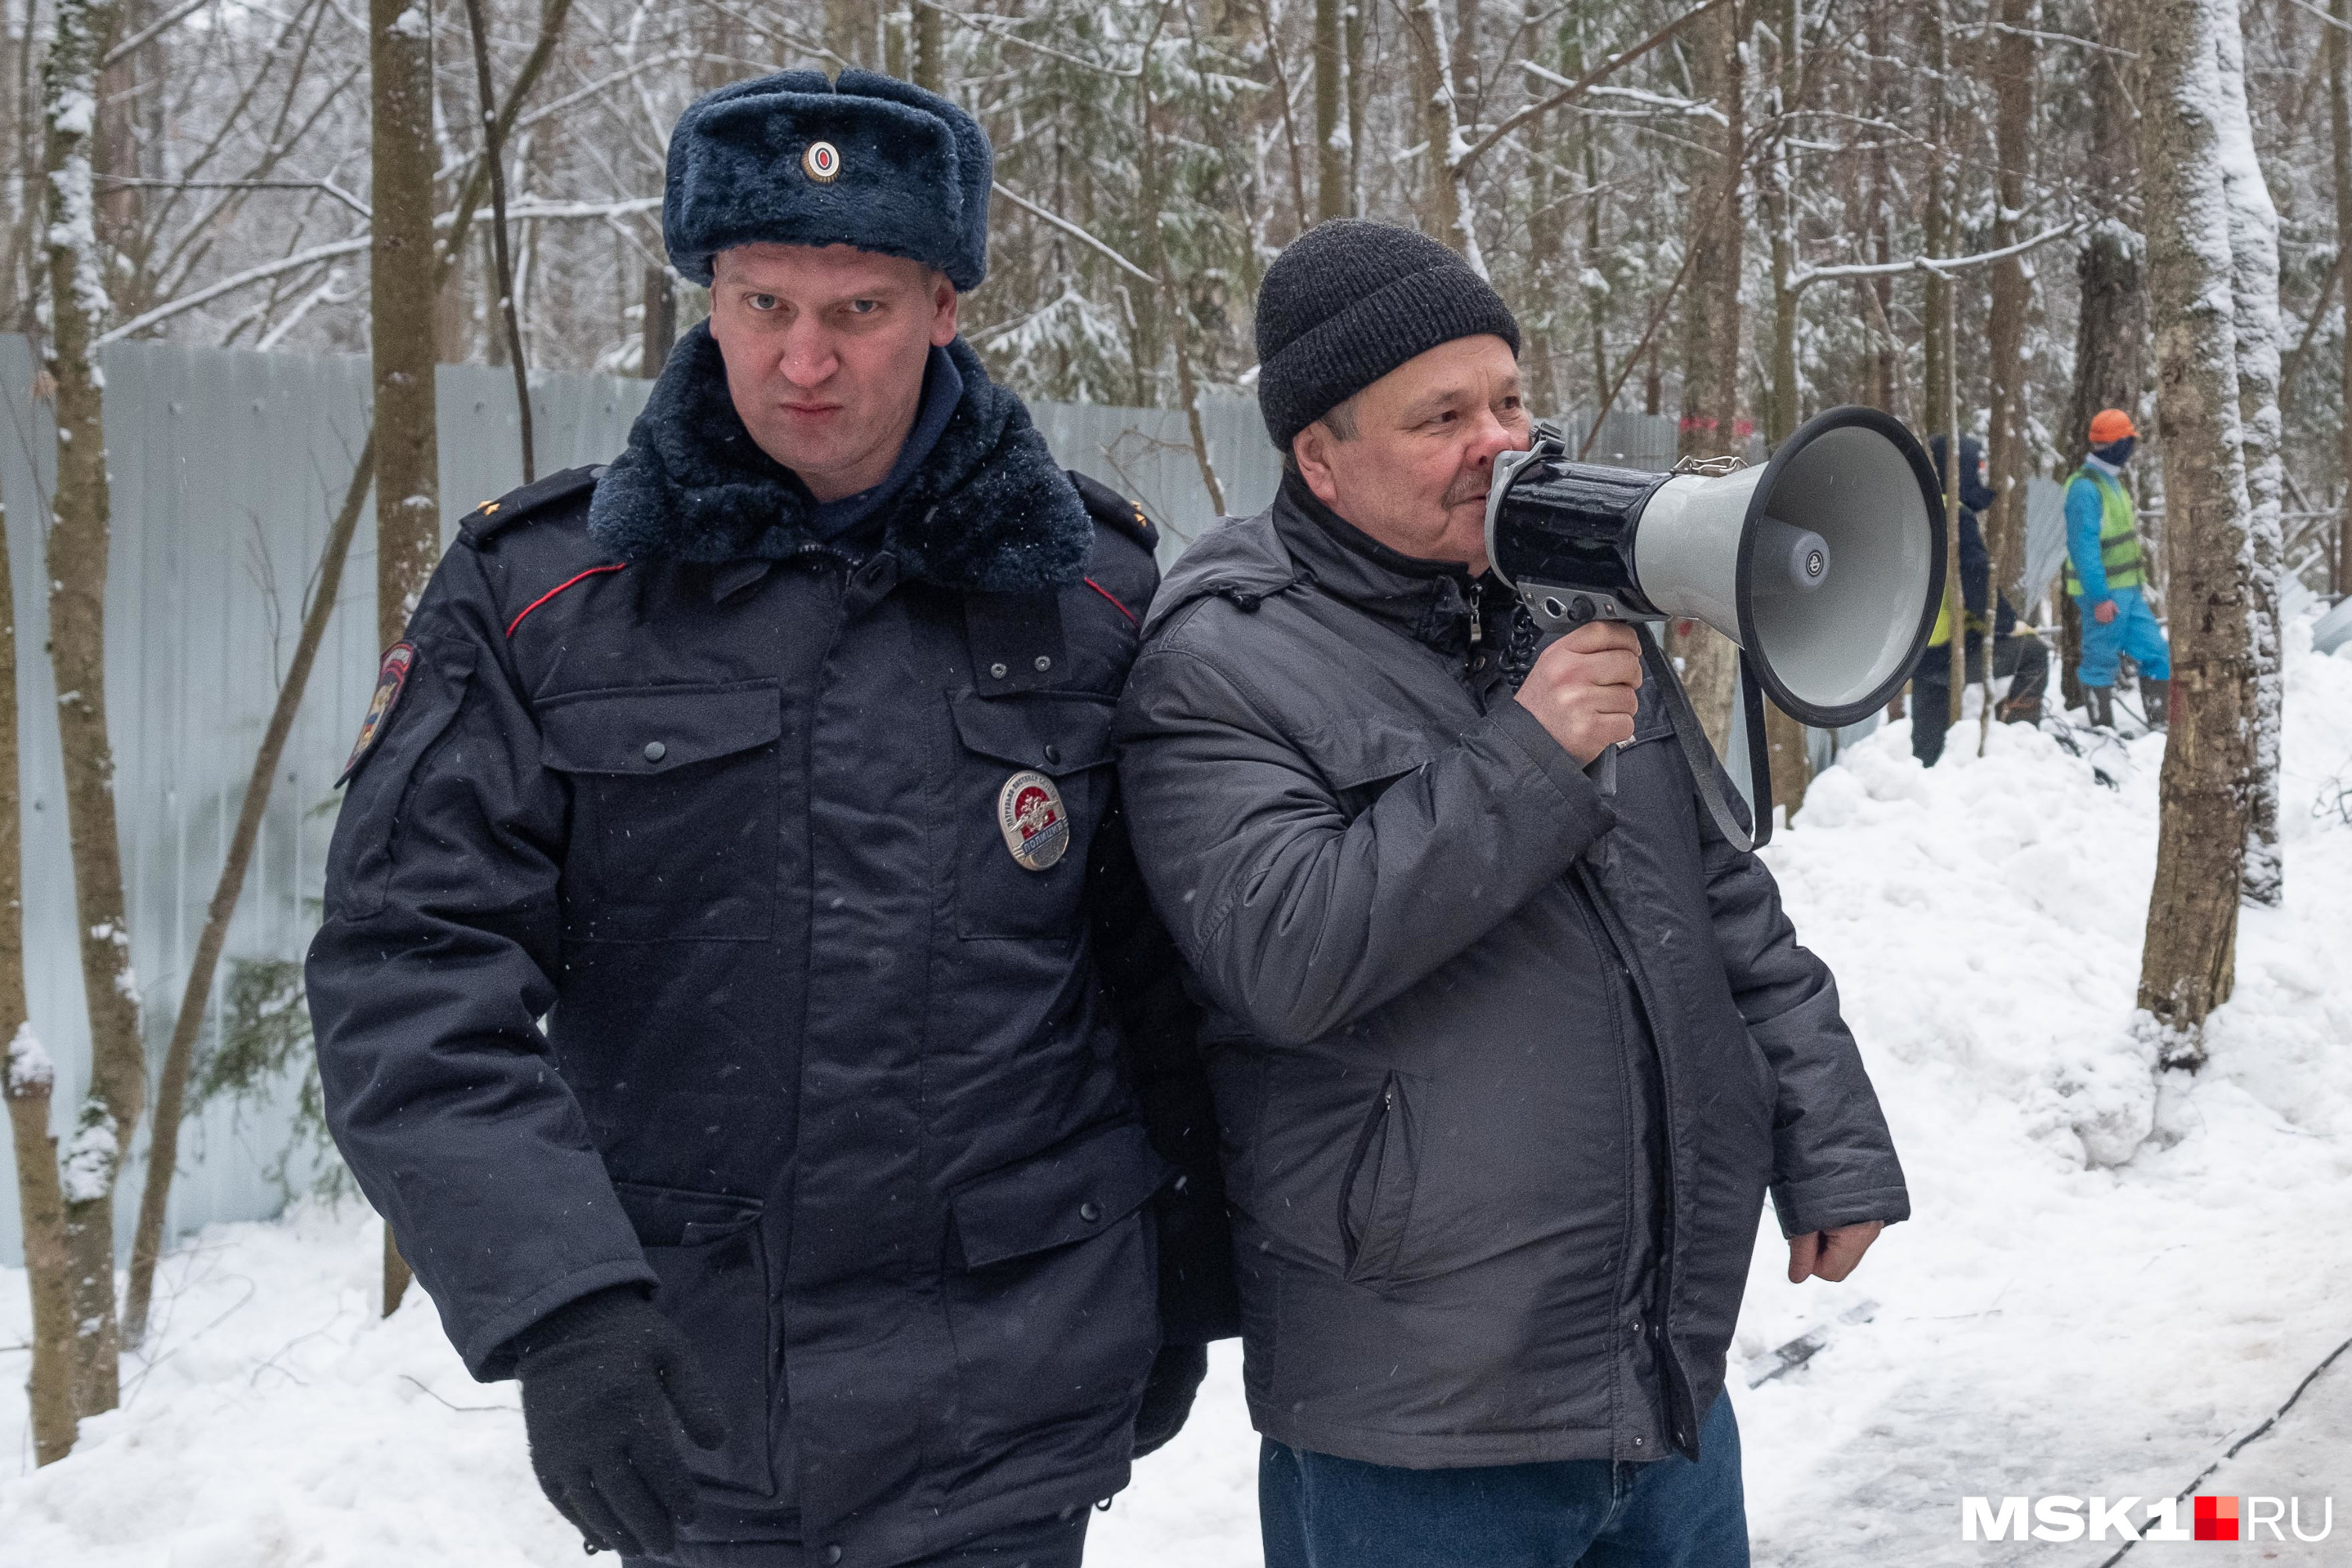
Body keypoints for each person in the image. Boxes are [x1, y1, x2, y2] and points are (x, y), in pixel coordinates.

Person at [307, 71, 1233, 1568]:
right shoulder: (541, 602)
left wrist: (1182, 1270)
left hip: (1012, 1395)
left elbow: (1162, 977)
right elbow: (410, 969)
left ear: (943, 306)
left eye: (857, 308)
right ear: (708, 299)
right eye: (759, 303)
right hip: (695, 1403)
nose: (804, 360)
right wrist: (563, 1305)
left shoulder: (1095, 596)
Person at [1112, 219, 1910, 1568]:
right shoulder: (1220, 661)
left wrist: (1827, 1137)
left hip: (1658, 1375)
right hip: (1422, 1420)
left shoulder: (1560, 608)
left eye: (1509, 399)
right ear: (1319, 454)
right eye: (1442, 417)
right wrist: (1528, 758)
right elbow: (1287, 951)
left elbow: (1723, 903)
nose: (1500, 441)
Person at [1911, 434, 2051, 767]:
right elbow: (1976, 583)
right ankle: (2021, 745)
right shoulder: (1955, 515)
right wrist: (2006, 623)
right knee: (2033, 654)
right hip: (1947, 651)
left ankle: (1925, 767)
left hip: (1914, 651)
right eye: (1978, 468)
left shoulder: (1918, 508)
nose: (1982, 475)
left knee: (1926, 755)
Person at [2063, 409, 2170, 729]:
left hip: (2128, 590)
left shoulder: (2110, 481)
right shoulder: (2084, 488)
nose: (2132, 448)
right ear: (2116, 444)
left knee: (2156, 653)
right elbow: (2084, 548)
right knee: (2100, 662)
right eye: (2128, 441)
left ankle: (2160, 724)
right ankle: (2102, 732)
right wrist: (2099, 597)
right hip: (2104, 594)